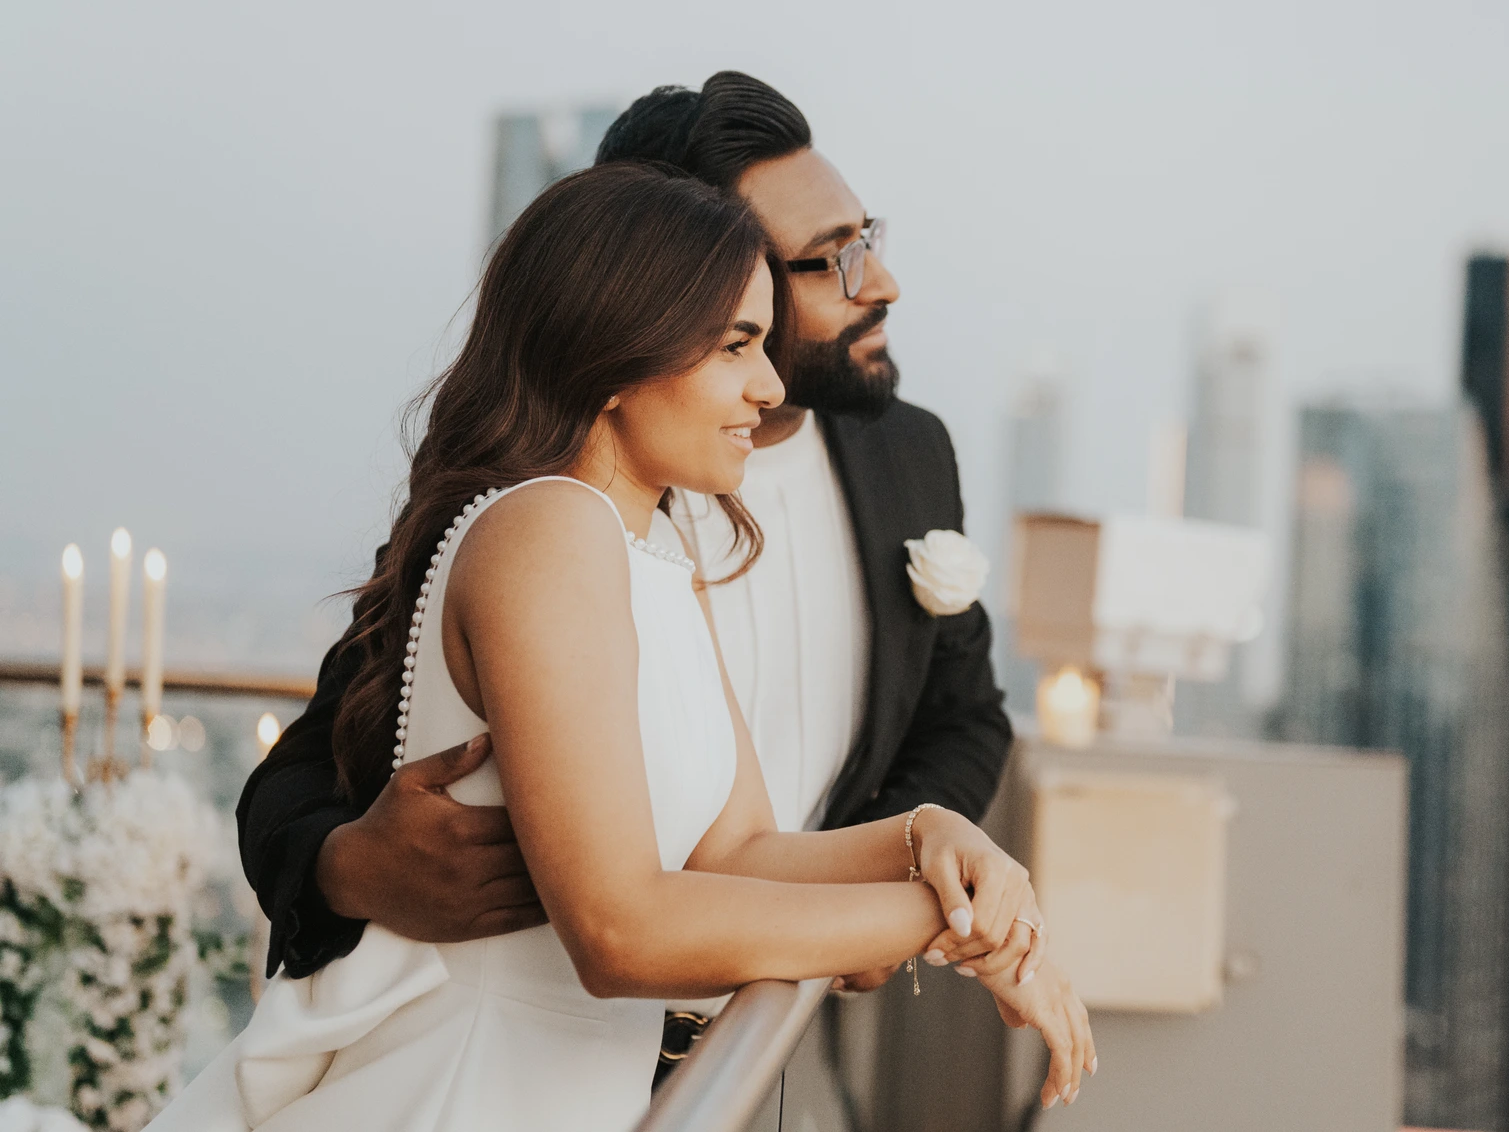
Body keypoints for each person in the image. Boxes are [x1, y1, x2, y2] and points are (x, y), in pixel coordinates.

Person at [151, 165, 1092, 1131]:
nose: (768, 387)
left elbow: (739, 849)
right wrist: (950, 923)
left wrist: (927, 838)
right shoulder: (546, 530)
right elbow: (617, 929)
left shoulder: (652, 552)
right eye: (738, 346)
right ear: (618, 352)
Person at [238, 73, 1016, 1021]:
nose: (880, 283)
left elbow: (962, 715)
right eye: (828, 260)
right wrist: (350, 864)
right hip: (542, 1029)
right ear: (657, 287)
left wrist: (898, 867)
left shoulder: (911, 454)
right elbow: (316, 762)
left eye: (868, 241)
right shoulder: (544, 511)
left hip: (774, 1019)